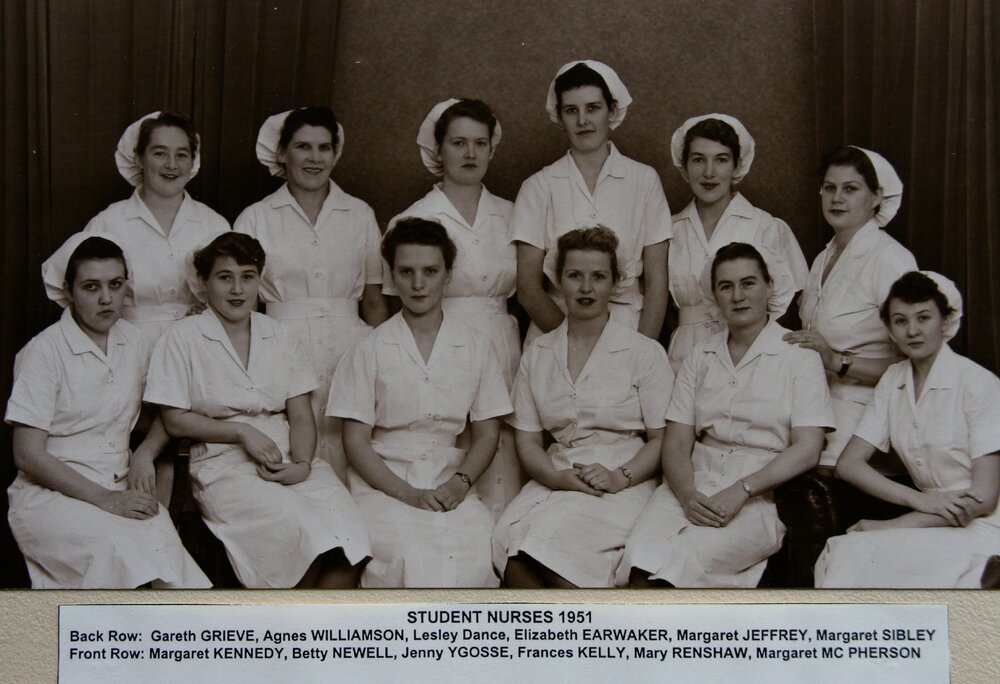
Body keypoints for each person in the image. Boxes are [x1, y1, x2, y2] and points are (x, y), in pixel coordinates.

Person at [144, 232, 370, 588]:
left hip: (288, 459)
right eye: (225, 278)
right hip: (223, 465)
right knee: (301, 529)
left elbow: (300, 414)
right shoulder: (183, 337)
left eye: (247, 277)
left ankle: (311, 622)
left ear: (259, 281)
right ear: (204, 282)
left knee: (351, 534)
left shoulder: (279, 335)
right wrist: (241, 431)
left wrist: (302, 464)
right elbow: (174, 419)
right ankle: (288, 618)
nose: (237, 289)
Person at [621, 242, 832, 588]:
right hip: (691, 486)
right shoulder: (700, 355)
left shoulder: (798, 355)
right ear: (715, 296)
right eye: (726, 286)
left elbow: (808, 448)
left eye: (748, 283)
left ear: (769, 286)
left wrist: (742, 490)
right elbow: (676, 443)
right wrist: (688, 496)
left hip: (759, 494)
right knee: (638, 557)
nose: (738, 296)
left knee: (687, 559)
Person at [5, 233, 210, 588]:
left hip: (119, 486)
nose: (106, 298)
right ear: (69, 291)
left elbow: (166, 410)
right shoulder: (44, 352)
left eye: (115, 284)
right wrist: (106, 500)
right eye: (91, 287)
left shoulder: (133, 341)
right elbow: (27, 454)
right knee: (115, 554)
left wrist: (145, 453)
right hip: (52, 497)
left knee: (170, 568)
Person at [328, 218, 511, 588]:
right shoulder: (368, 349)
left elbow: (487, 433)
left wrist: (460, 484)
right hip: (384, 484)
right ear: (392, 276)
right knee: (402, 553)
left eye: (430, 271)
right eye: (406, 272)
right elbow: (355, 442)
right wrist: (407, 494)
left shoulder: (476, 346)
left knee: (477, 550)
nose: (418, 283)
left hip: (450, 480)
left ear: (448, 275)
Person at [493, 226, 674, 588]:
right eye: (575, 275)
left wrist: (619, 476)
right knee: (506, 543)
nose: (586, 288)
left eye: (598, 277)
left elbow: (663, 439)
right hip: (558, 474)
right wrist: (556, 478)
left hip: (623, 481)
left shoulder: (643, 352)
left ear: (615, 283)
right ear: (558, 281)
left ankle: (587, 621)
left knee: (546, 546)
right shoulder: (539, 353)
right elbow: (528, 441)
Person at [815, 271, 1000, 588]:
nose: (912, 330)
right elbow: (849, 465)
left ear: (945, 321)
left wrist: (901, 522)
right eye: (900, 321)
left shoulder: (978, 383)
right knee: (844, 551)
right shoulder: (893, 380)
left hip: (985, 525)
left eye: (923, 318)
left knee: (855, 553)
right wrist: (920, 501)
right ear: (889, 329)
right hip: (935, 519)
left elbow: (984, 498)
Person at [385, 98, 522, 519]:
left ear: (492, 149)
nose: (470, 153)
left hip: (502, 342)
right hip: (438, 343)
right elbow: (395, 304)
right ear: (438, 150)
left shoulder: (513, 214)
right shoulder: (414, 219)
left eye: (480, 143)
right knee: (448, 449)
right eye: (458, 143)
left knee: (501, 456)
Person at [235, 106, 388, 481]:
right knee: (291, 445)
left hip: (350, 346)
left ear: (335, 154)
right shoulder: (256, 217)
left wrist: (384, 356)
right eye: (303, 147)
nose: (314, 158)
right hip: (280, 344)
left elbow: (372, 300)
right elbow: (241, 303)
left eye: (324, 148)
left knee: (350, 441)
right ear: (282, 153)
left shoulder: (359, 213)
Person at [510, 60, 671, 342]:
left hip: (629, 331)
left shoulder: (644, 180)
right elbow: (528, 289)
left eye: (593, 108)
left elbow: (657, 284)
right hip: (555, 332)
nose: (583, 120)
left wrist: (640, 352)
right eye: (571, 110)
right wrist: (575, 342)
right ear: (559, 116)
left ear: (612, 111)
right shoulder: (538, 186)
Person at [784, 146, 917, 468]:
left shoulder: (890, 259)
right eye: (829, 188)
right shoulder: (823, 258)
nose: (837, 198)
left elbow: (916, 364)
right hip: (814, 405)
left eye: (850, 189)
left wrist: (837, 361)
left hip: (865, 413)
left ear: (876, 197)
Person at [666, 113, 808, 373]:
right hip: (683, 356)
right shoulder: (669, 230)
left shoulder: (765, 226)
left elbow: (789, 306)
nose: (709, 172)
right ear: (684, 168)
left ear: (736, 167)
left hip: (750, 353)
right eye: (698, 160)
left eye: (721, 160)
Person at [84, 111, 229, 347]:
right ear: (139, 158)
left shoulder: (215, 224)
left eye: (181, 154)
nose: (171, 164)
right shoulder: (108, 224)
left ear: (193, 161)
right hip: (126, 347)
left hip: (198, 346)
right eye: (160, 153)